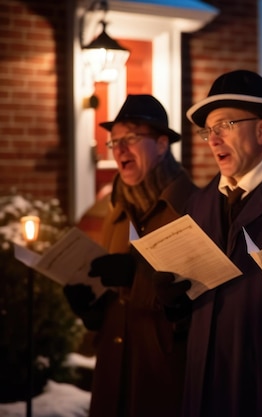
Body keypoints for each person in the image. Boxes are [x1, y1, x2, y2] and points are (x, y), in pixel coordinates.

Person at [153, 69, 262, 417]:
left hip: (261, 386)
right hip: (202, 383)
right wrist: (176, 303)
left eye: (224, 125)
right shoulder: (199, 202)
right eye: (208, 130)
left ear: (261, 130)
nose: (212, 139)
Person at [62, 94, 198, 417]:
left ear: (162, 144)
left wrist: (138, 276)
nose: (120, 149)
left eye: (132, 138)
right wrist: (93, 310)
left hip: (160, 377)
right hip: (113, 370)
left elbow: (197, 301)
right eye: (114, 142)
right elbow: (112, 292)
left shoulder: (192, 207)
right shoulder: (115, 208)